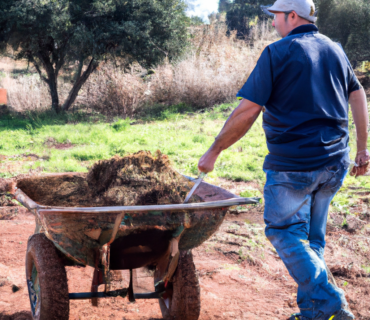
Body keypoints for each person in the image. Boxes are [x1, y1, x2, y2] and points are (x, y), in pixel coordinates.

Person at [198, 0, 369, 319]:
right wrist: (362, 148)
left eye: (276, 16)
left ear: (293, 16)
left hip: (294, 166)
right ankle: (313, 312)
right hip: (334, 163)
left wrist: (215, 150)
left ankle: (330, 300)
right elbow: (357, 94)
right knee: (310, 240)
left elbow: (248, 110)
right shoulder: (334, 49)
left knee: (282, 231)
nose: (273, 22)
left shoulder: (277, 53)